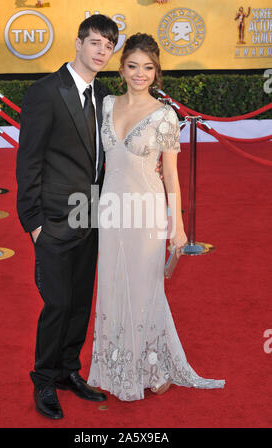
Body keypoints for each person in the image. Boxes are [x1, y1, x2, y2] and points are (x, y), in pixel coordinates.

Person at [87, 33, 225, 401]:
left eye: (148, 67)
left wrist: (176, 226)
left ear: (156, 71)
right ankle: (112, 364)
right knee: (113, 286)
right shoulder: (106, 104)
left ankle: (151, 367)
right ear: (122, 68)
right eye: (133, 66)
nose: (140, 74)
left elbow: (173, 178)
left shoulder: (165, 116)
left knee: (145, 288)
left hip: (147, 213)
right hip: (111, 210)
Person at [16, 15, 119, 420]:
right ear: (78, 43)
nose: (100, 52)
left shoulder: (104, 95)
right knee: (56, 303)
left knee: (78, 304)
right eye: (94, 43)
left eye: (107, 47)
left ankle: (68, 372)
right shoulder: (46, 92)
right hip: (54, 221)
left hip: (91, 218)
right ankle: (43, 379)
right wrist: (34, 222)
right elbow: (29, 161)